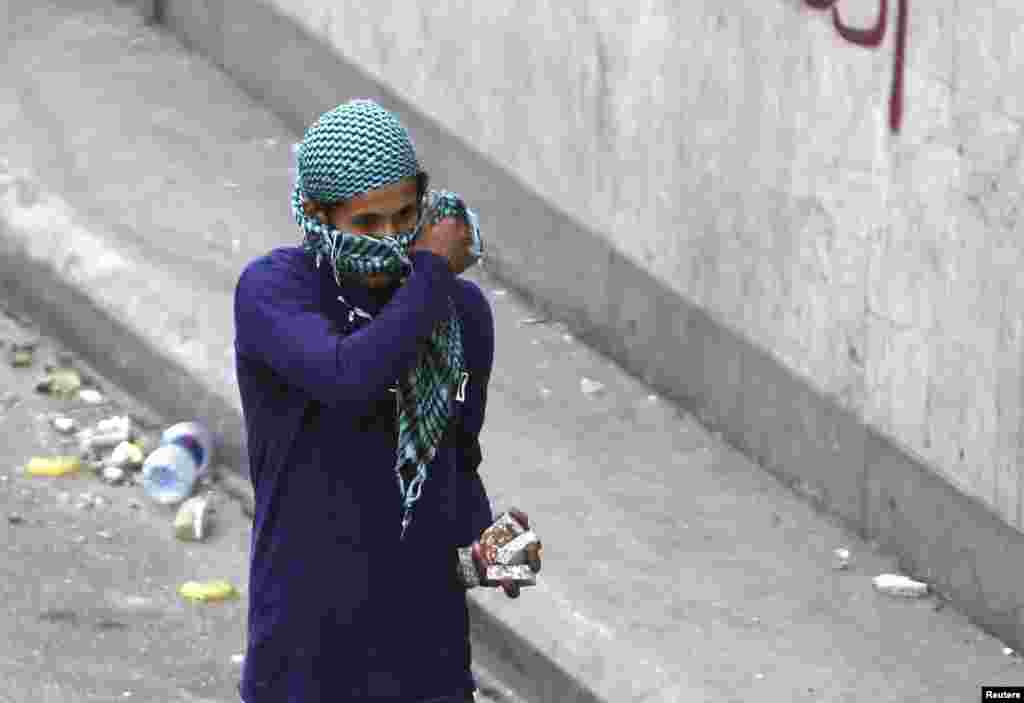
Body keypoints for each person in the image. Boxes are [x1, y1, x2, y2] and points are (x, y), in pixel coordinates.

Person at [232, 98, 540, 703]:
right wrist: (430, 273)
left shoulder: (460, 316)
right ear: (317, 215)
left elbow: (454, 457)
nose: (390, 241)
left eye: (404, 219)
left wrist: (482, 545)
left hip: (426, 664)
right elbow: (350, 379)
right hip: (307, 661)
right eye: (367, 224)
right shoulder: (276, 293)